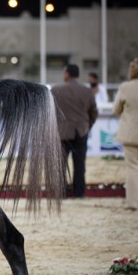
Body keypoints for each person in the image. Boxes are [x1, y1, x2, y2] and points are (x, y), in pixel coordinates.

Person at [51, 64, 98, 198]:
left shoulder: (55, 90)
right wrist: (87, 126)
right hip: (81, 131)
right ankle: (79, 193)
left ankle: (61, 194)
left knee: (60, 165)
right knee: (80, 166)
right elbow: (93, 112)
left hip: (62, 132)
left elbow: (50, 112)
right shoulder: (87, 91)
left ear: (67, 74)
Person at [112, 58, 138, 210]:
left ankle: (134, 203)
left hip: (131, 133)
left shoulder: (125, 87)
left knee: (133, 168)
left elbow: (116, 110)